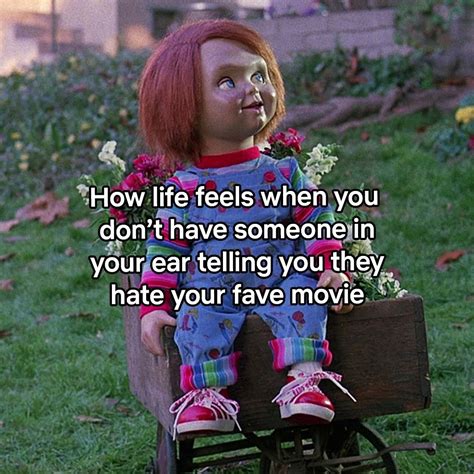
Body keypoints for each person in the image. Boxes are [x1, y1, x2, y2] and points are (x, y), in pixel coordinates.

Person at [138, 19, 355, 439]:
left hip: (283, 275)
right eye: (227, 81)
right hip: (213, 282)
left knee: (304, 296)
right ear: (182, 105)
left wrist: (331, 265)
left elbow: (315, 218)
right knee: (197, 314)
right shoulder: (184, 188)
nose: (253, 89)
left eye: (259, 75)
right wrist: (153, 305)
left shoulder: (284, 174)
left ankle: (305, 378)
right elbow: (165, 250)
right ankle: (207, 394)